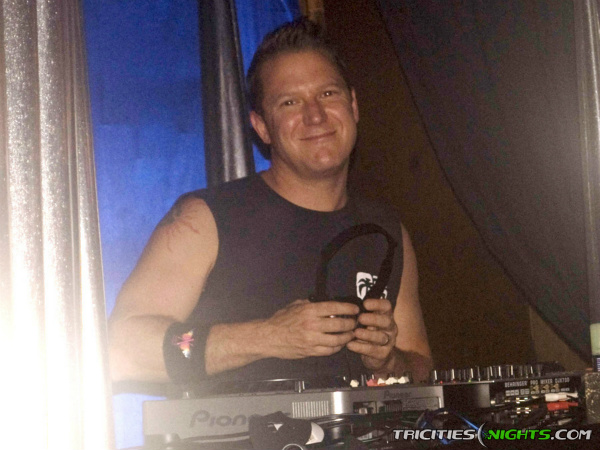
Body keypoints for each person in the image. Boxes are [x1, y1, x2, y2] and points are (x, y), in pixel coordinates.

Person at [108, 18, 433, 389]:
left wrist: (389, 362)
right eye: (290, 102)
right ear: (261, 127)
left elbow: (421, 364)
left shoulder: (387, 231)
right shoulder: (203, 220)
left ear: (354, 106)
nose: (315, 115)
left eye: (328, 94)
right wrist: (269, 336)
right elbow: (123, 349)